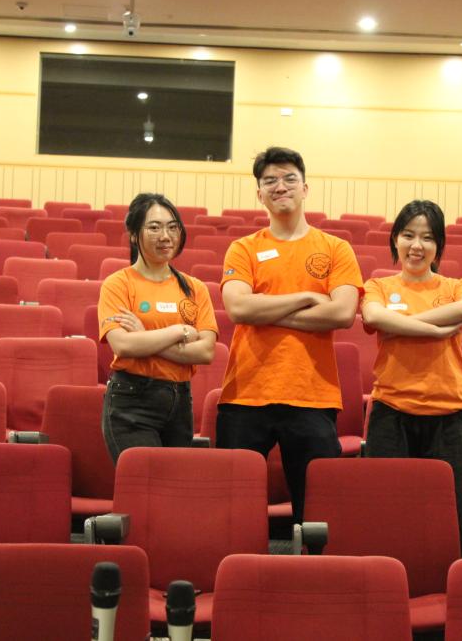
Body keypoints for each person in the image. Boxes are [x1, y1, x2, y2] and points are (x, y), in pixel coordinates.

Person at [217, 146, 363, 523]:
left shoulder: (335, 249)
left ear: (305, 188)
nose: (280, 187)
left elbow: (343, 313)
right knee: (233, 508)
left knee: (317, 509)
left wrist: (265, 311)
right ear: (259, 193)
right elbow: (238, 309)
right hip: (246, 394)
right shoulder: (243, 249)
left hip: (311, 396)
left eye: (288, 179)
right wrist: (305, 298)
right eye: (270, 181)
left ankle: (316, 578)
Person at [361, 199, 462, 557]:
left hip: (449, 414)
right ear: (395, 239)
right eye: (408, 235)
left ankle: (455, 590)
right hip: (391, 411)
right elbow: (375, 317)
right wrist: (434, 330)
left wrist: (404, 327)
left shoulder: (458, 286)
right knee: (385, 512)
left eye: (427, 238)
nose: (417, 245)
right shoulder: (378, 286)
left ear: (438, 246)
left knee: (456, 517)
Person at [97, 193, 218, 461]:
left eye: (172, 227)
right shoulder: (118, 284)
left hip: (180, 402)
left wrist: (145, 338)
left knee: (172, 492)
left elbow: (206, 352)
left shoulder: (195, 288)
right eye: (154, 227)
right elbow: (124, 345)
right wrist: (180, 331)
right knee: (143, 485)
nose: (166, 236)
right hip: (132, 401)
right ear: (133, 235)